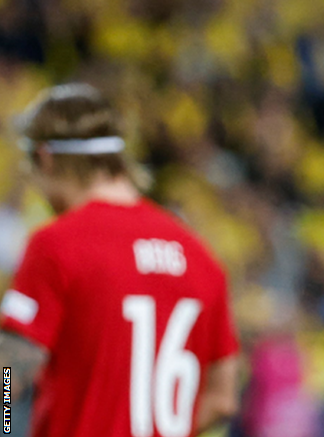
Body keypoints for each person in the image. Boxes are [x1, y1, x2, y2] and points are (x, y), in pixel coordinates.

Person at [0, 84, 240, 437]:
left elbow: (8, 372)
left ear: (45, 158)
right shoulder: (200, 256)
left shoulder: (57, 243)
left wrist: (4, 423)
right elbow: (222, 399)